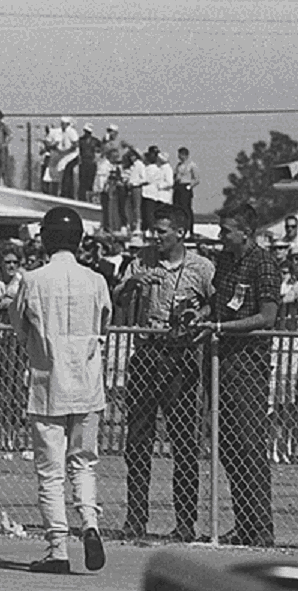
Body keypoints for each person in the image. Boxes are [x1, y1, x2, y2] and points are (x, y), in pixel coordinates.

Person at [9, 207, 110, 574]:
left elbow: (19, 326)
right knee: (84, 463)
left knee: (50, 471)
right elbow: (105, 324)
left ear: (46, 238)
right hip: (87, 383)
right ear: (80, 239)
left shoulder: (33, 280)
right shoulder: (96, 280)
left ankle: (58, 547)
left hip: (47, 384)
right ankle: (91, 524)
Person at [115, 204, 214, 543]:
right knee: (138, 441)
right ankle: (135, 520)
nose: (155, 237)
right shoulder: (141, 260)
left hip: (180, 358)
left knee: (184, 444)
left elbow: (216, 303)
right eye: (154, 230)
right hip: (146, 353)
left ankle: (185, 523)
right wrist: (134, 283)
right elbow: (118, 296)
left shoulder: (201, 267)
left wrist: (197, 314)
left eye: (162, 231)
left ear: (180, 233)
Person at [195, 203, 282, 547]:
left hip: (248, 364)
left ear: (245, 232)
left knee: (249, 446)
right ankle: (244, 523)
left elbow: (267, 316)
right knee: (228, 447)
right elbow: (218, 301)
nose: (221, 236)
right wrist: (200, 313)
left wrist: (222, 327)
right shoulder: (226, 262)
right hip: (221, 362)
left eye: (227, 230)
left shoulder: (263, 263)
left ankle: (262, 527)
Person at [173, 147, 199, 231]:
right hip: (178, 187)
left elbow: (197, 179)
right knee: (177, 208)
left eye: (182, 155)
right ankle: (180, 226)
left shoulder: (191, 165)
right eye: (179, 154)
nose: (180, 156)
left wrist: (189, 186)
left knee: (186, 208)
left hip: (186, 187)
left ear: (186, 155)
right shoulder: (178, 165)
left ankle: (189, 228)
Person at [78, 123, 100, 201]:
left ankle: (90, 198)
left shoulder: (96, 141)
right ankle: (82, 198)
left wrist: (96, 159)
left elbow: (100, 150)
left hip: (91, 162)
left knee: (90, 181)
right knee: (82, 181)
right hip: (83, 162)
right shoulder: (80, 140)